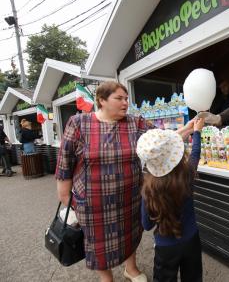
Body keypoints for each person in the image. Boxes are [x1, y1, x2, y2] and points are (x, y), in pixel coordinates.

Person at [55, 81, 195, 282]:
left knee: (130, 235)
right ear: (102, 100)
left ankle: (131, 269)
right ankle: (107, 278)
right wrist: (64, 194)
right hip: (93, 203)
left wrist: (188, 129)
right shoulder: (79, 123)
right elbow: (65, 161)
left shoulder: (134, 122)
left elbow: (161, 139)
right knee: (99, 244)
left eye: (126, 98)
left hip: (130, 197)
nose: (125, 103)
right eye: (119, 98)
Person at [137, 117, 205, 282]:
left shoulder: (149, 190)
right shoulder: (187, 174)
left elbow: (146, 225)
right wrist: (196, 132)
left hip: (165, 246)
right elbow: (195, 153)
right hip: (191, 239)